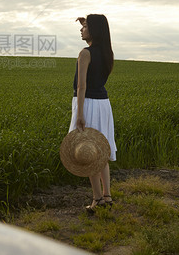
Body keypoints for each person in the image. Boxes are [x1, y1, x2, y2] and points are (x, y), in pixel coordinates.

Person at [71, 14, 117, 212]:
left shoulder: (85, 53)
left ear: (94, 30)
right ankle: (107, 196)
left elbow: (82, 86)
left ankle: (97, 199)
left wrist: (80, 113)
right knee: (101, 151)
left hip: (87, 104)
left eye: (86, 26)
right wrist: (87, 21)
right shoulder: (107, 53)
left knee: (88, 153)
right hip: (103, 105)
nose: (81, 29)